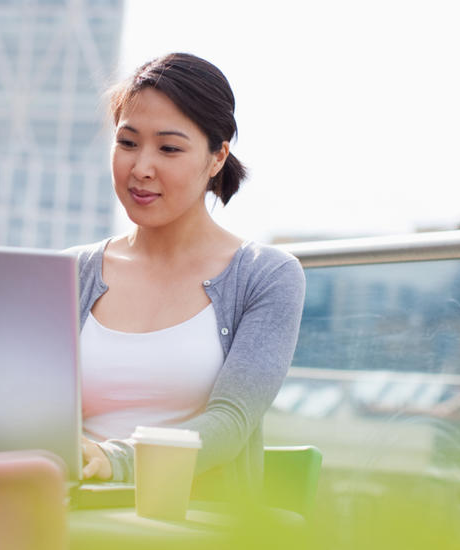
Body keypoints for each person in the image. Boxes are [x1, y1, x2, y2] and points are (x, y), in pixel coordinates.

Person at [69, 53, 306, 498]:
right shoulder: (72, 272)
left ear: (217, 156)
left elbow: (230, 422)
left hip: (191, 522)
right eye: (127, 143)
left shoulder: (266, 276)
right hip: (66, 507)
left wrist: (115, 461)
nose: (141, 168)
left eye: (169, 148)